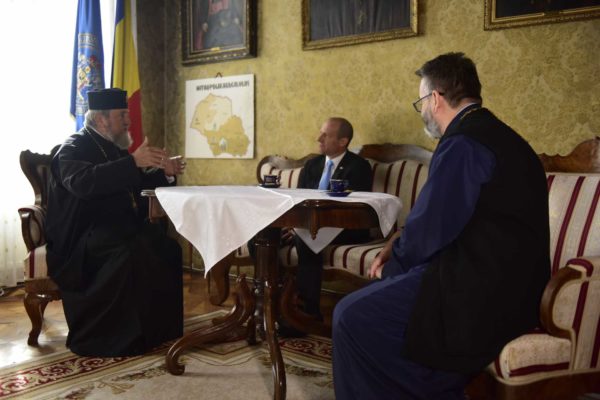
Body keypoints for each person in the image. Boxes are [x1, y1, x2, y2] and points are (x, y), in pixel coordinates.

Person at [332, 53, 550, 399]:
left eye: (421, 101)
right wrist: (399, 245)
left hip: (481, 290)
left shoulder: (463, 142)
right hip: (512, 284)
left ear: (435, 98)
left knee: (351, 315)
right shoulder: (500, 136)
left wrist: (392, 269)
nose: (422, 111)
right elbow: (451, 219)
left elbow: (431, 229)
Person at [45, 88, 187, 357]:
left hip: (115, 229)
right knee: (128, 252)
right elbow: (83, 183)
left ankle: (157, 331)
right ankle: (116, 339)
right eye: (122, 115)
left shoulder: (113, 148)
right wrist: (132, 162)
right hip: (80, 238)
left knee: (167, 247)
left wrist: (165, 173)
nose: (128, 121)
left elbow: (137, 185)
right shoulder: (72, 148)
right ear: (101, 119)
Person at [280, 117, 373, 335]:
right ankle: (276, 302)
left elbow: (353, 208)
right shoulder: (312, 165)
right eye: (320, 133)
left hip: (347, 228)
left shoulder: (359, 167)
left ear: (343, 141)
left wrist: (302, 230)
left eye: (325, 135)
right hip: (307, 225)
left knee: (307, 239)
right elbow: (299, 201)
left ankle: (307, 313)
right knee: (264, 236)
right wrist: (292, 226)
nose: (318, 138)